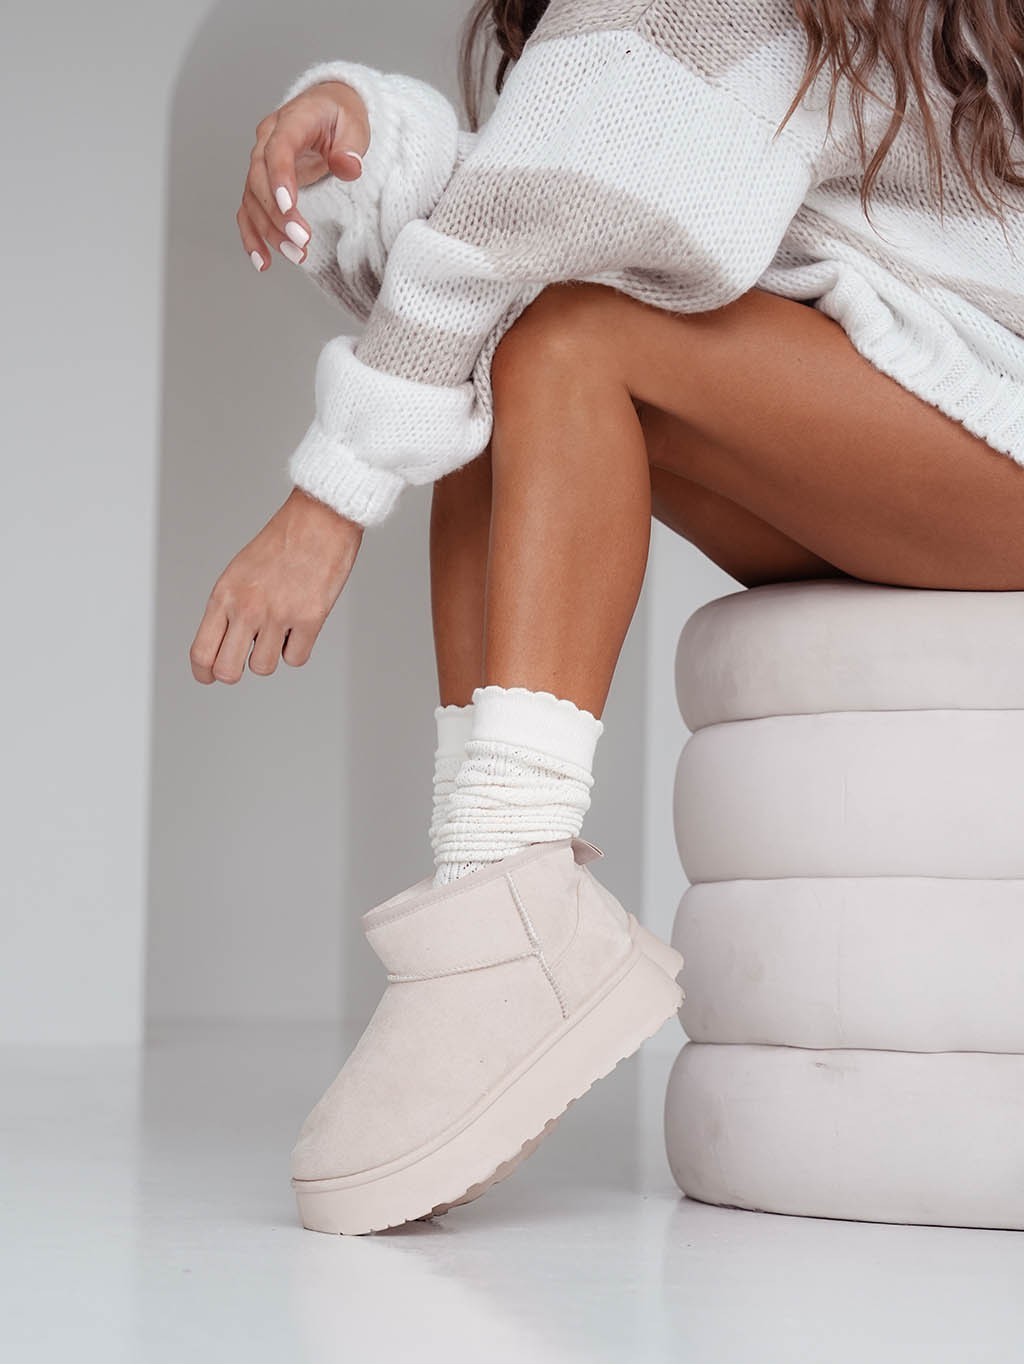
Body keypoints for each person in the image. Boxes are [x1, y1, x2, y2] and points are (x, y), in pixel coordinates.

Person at [189, 0, 1024, 1234]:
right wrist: (375, 144)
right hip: (895, 416)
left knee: (561, 330)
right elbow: (571, 188)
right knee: (517, 322)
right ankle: (495, 901)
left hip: (985, 422)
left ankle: (509, 912)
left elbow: (546, 212)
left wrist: (328, 502)